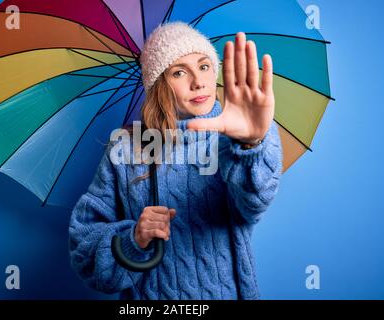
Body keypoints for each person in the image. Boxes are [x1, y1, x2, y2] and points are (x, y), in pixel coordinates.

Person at [69, 22, 283, 300]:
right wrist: (134, 238)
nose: (198, 81)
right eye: (179, 72)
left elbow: (255, 204)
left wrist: (250, 144)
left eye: (204, 66)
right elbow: (84, 253)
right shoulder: (125, 149)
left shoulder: (240, 134)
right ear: (158, 85)